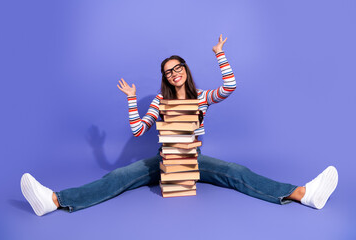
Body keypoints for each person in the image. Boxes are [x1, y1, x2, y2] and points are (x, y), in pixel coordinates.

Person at [20, 35, 338, 216]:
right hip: (165, 161)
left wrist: (220, 54)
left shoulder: (201, 97)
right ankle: (54, 201)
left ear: (185, 69)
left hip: (192, 161)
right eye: (168, 71)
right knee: (118, 176)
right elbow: (138, 131)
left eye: (178, 68)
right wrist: (132, 99)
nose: (174, 74)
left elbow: (229, 87)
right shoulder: (160, 101)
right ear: (165, 77)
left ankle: (301, 194)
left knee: (236, 172)